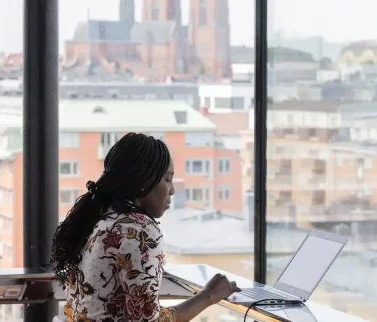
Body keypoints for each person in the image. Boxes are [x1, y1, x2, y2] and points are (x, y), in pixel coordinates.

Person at [52, 132, 240, 322]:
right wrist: (208, 296)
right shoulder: (138, 230)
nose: (173, 190)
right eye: (167, 179)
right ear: (145, 181)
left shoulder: (99, 218)